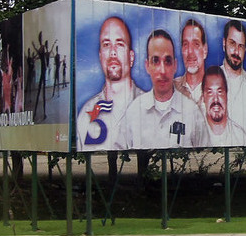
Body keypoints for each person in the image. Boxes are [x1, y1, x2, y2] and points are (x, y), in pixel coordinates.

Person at [114, 29, 207, 149]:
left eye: (167, 61)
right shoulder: (134, 111)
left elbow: (205, 157)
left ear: (175, 66)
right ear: (147, 66)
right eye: (155, 61)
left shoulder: (192, 111)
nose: (162, 71)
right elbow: (121, 156)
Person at [76, 16, 142, 151]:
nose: (112, 52)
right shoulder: (86, 113)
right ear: (100, 56)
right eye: (106, 44)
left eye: (119, 44)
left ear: (131, 58)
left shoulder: (149, 106)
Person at [201, 65, 246, 147]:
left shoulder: (240, 137)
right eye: (210, 93)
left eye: (220, 92)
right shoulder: (195, 136)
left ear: (226, 95)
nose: (216, 99)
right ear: (203, 97)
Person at [173, 18, 208, 107]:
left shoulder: (216, 90)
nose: (190, 52)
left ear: (205, 50)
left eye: (196, 44)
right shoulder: (171, 88)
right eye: (185, 44)